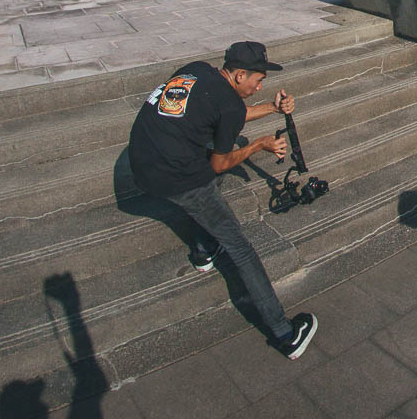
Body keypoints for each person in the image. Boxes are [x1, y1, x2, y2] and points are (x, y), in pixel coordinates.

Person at [127, 41, 318, 359]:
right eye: (258, 80)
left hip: (143, 162)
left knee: (208, 160)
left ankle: (204, 250)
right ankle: (285, 334)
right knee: (239, 247)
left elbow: (228, 113)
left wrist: (273, 108)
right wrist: (258, 146)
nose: (259, 87)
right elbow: (220, 161)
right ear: (240, 75)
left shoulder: (197, 70)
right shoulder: (228, 105)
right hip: (173, 176)